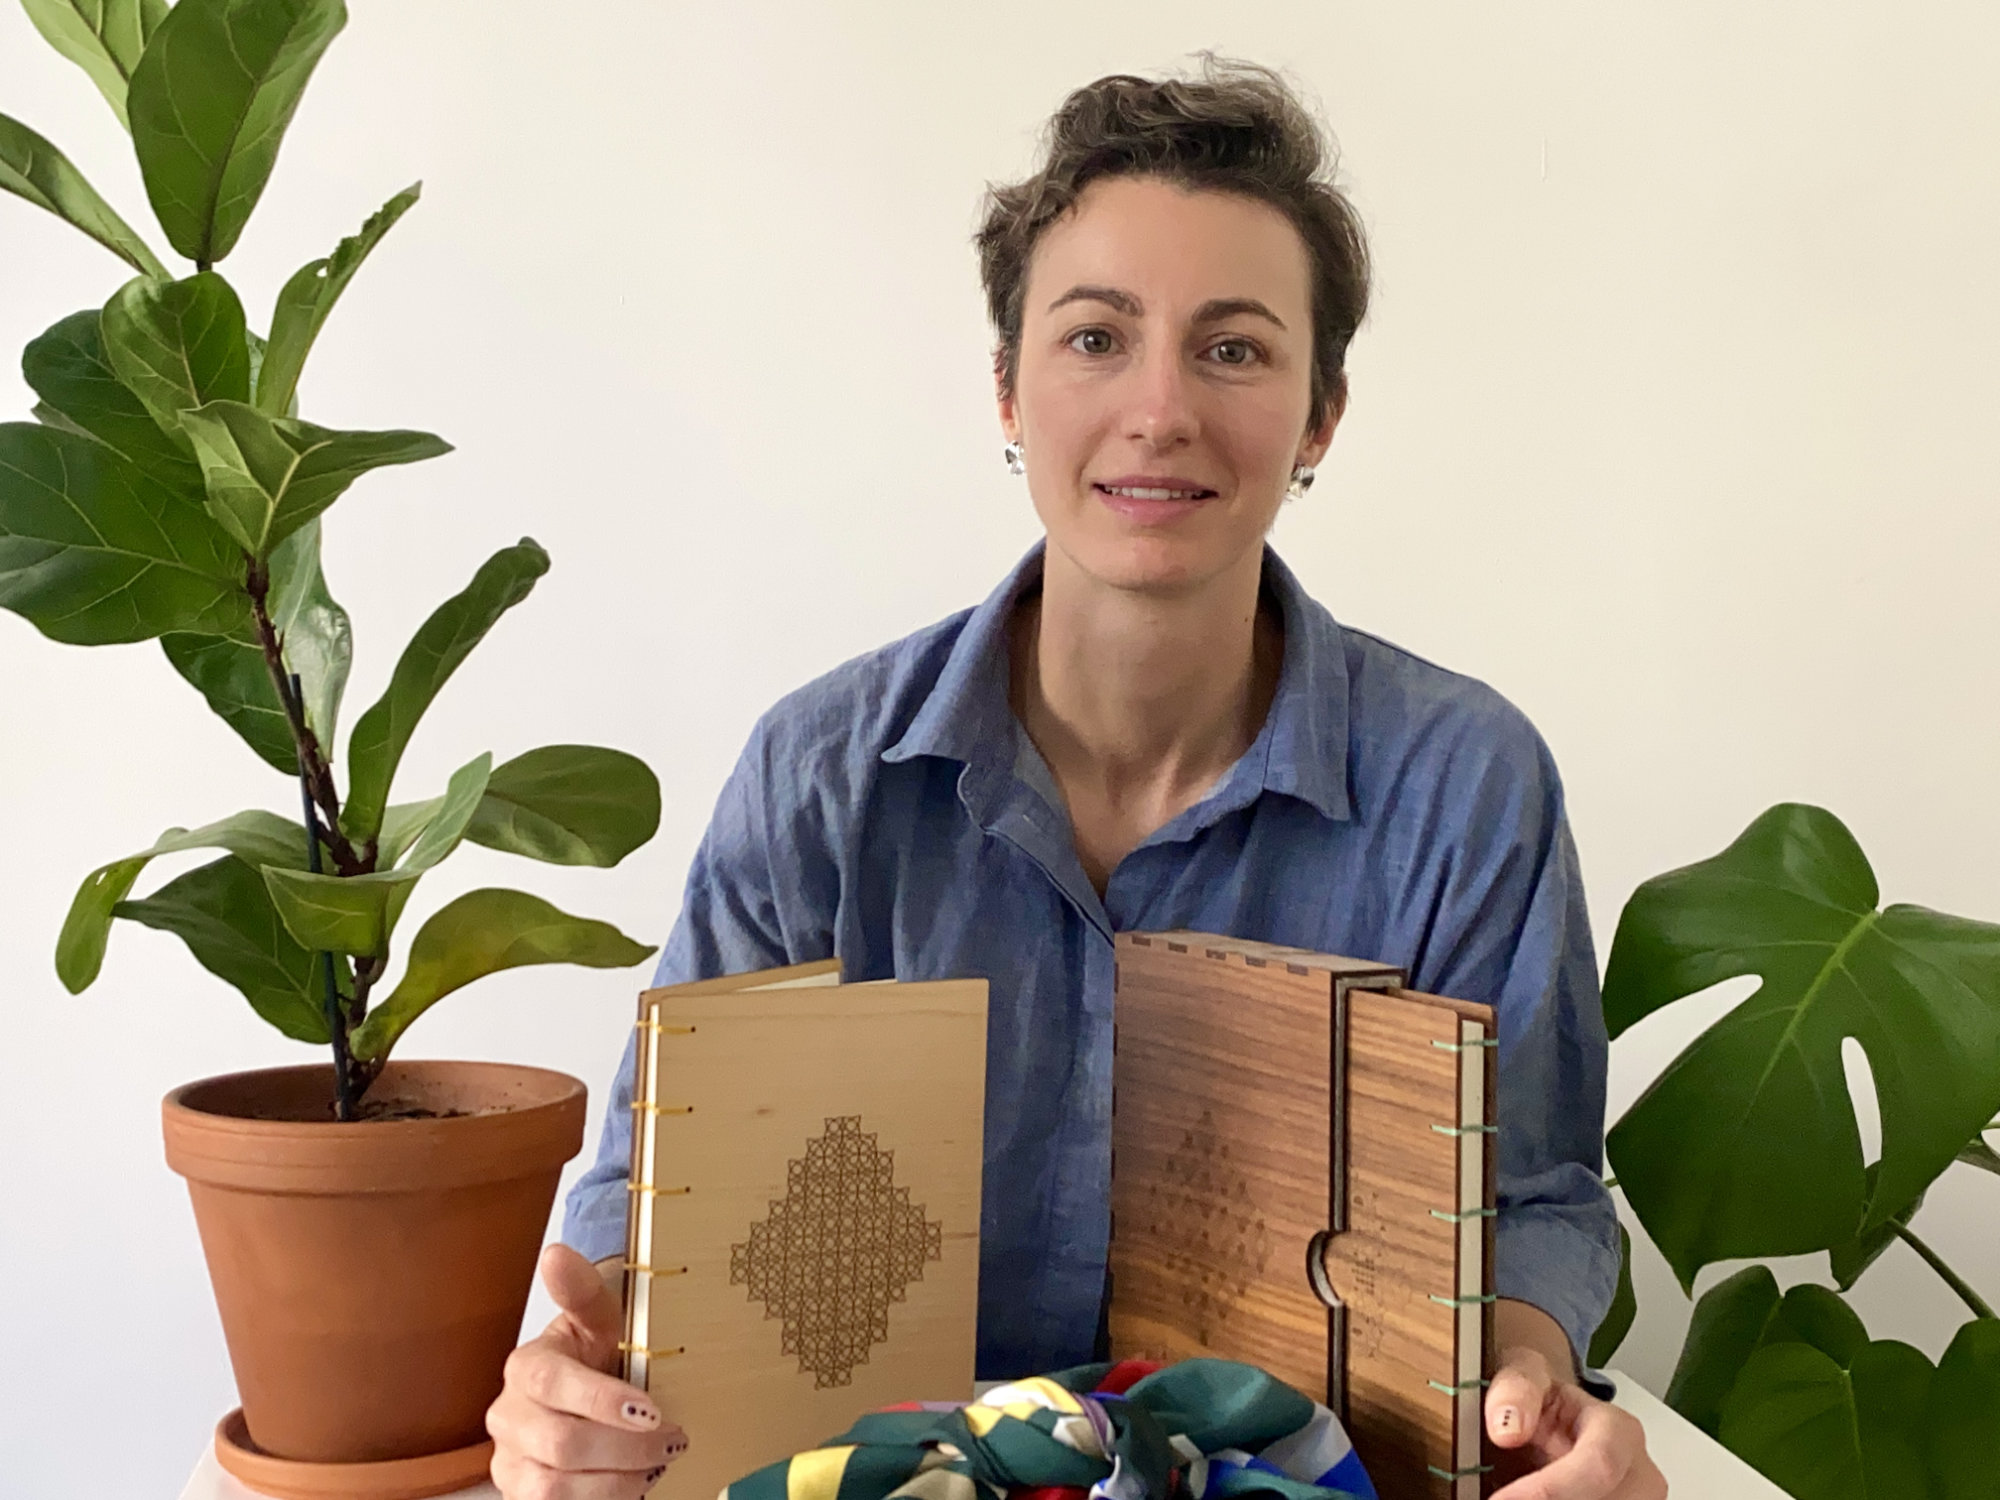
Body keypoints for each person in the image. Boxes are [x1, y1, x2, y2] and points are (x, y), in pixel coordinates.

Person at [485, 56, 1663, 1500]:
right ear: (1007, 388)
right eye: (1098, 337)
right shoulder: (819, 778)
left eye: (1234, 349)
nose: (1159, 409)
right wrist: (580, 1391)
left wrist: (1529, 1383)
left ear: (1321, 418)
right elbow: (652, 1198)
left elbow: (1531, 1200)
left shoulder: (1464, 786)